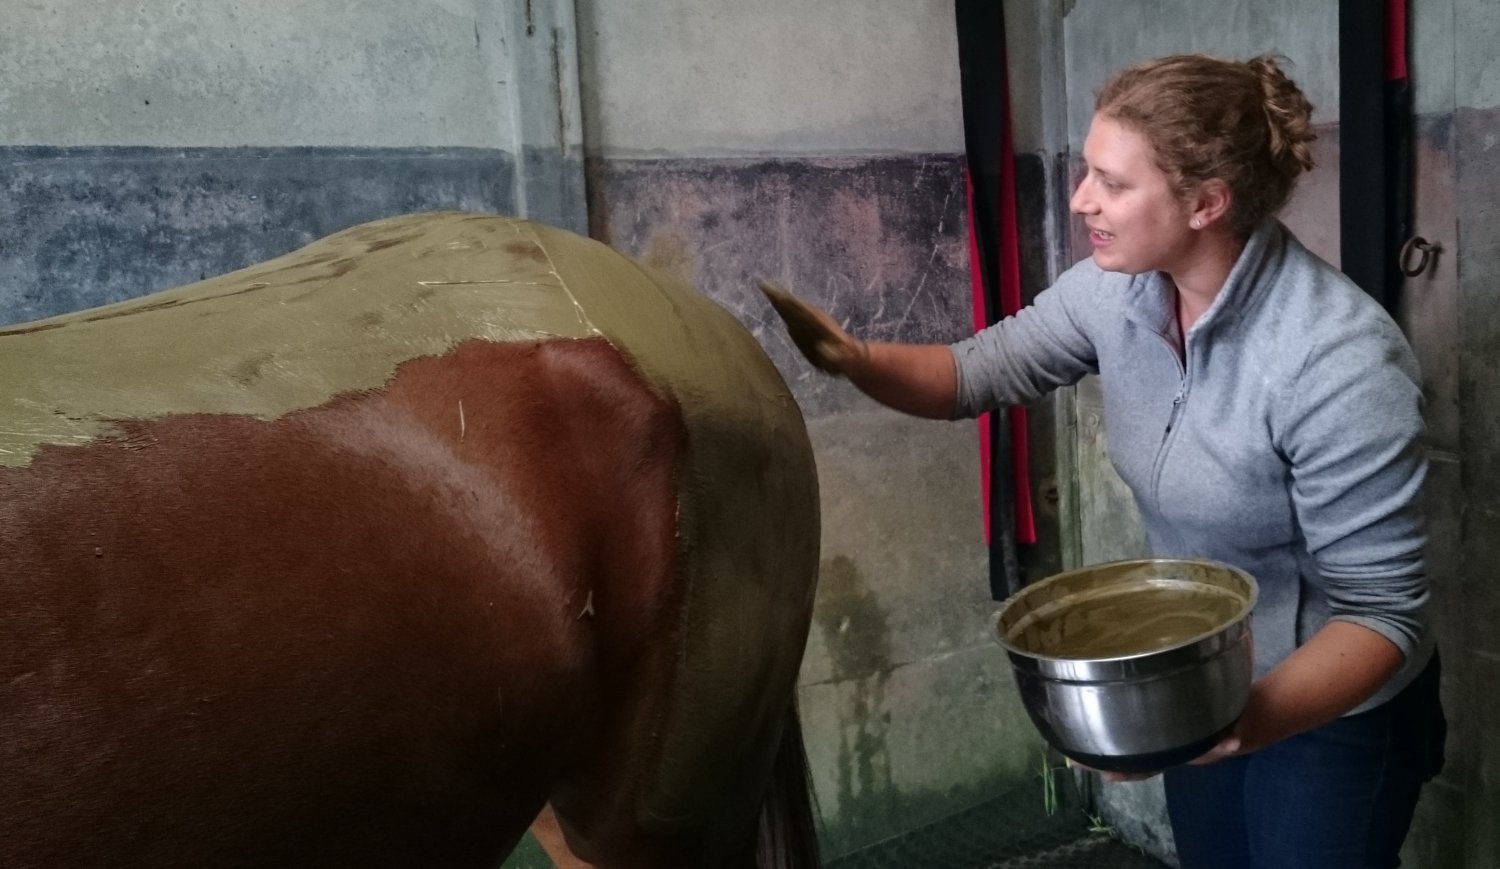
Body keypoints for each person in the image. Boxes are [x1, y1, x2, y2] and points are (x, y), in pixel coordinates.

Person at [761, 54, 1447, 869]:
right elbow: (974, 372)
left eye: (1112, 183)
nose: (1080, 198)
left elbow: (1382, 615)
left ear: (1206, 203)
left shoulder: (1337, 358)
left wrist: (1236, 722)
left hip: (1336, 707)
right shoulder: (1115, 291)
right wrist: (856, 358)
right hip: (1207, 677)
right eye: (1087, 171)